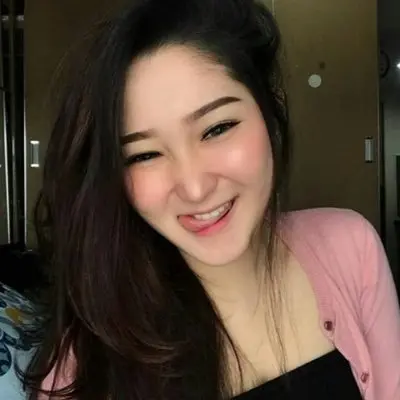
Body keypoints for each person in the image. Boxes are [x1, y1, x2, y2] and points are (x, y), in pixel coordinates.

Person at [21, 0, 400, 399]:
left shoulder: (350, 248)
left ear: (268, 109)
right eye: (144, 155)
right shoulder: (82, 370)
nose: (195, 188)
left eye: (217, 129)